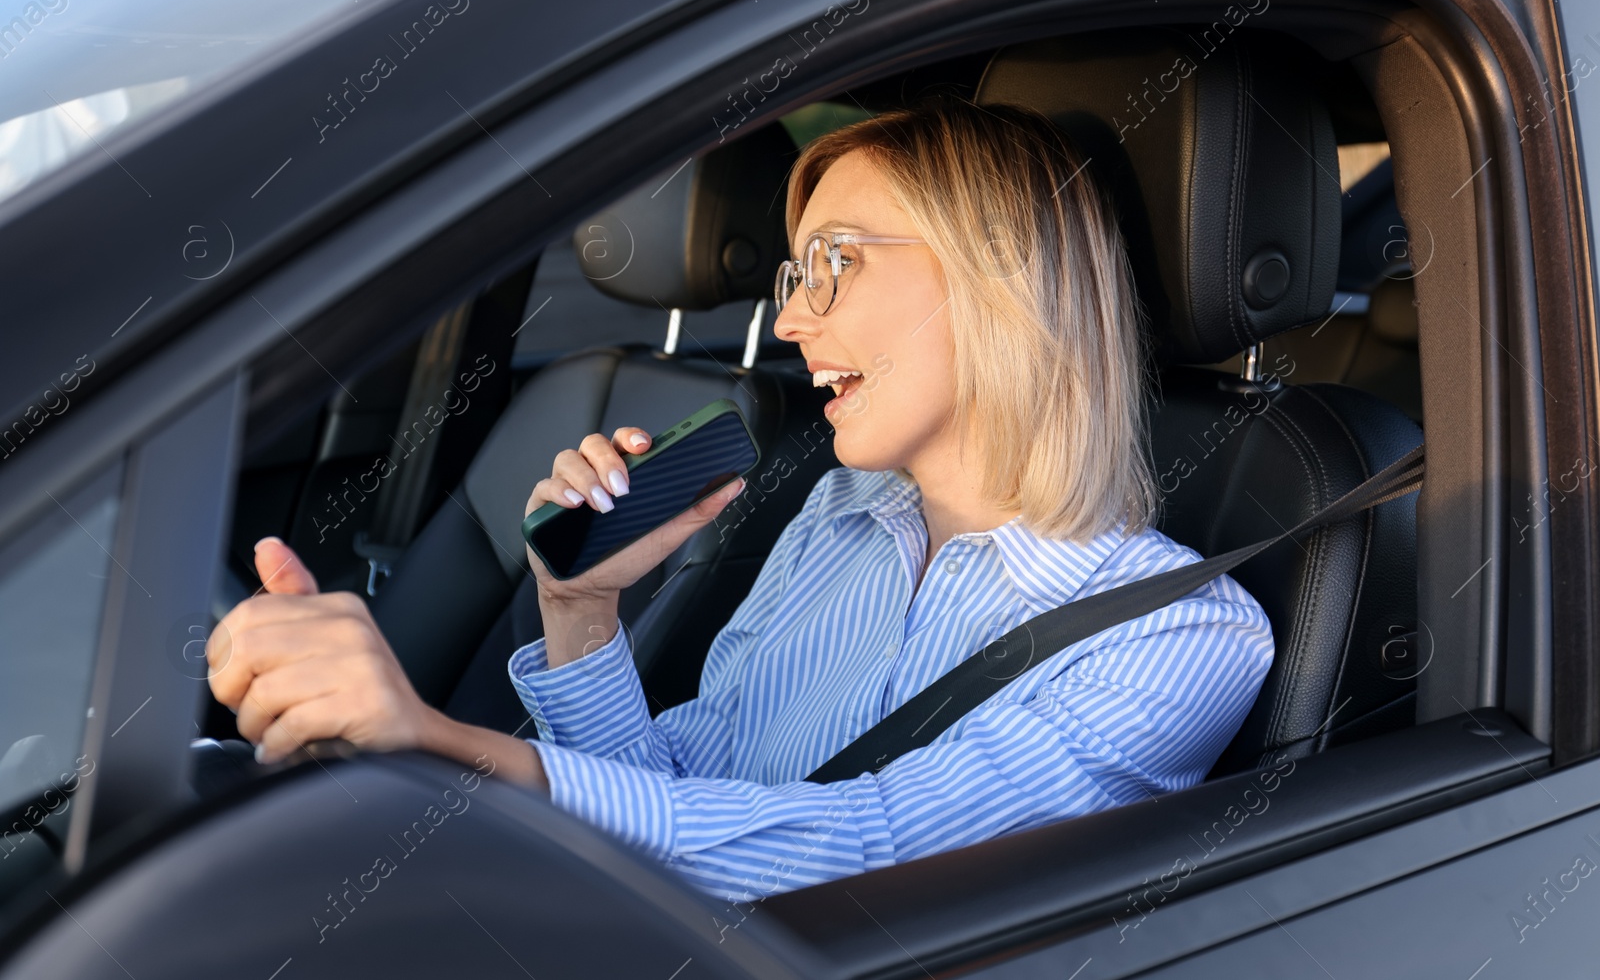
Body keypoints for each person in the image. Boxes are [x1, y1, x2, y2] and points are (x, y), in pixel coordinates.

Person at [209, 97, 1274, 903]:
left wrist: (436, 744)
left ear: (1003, 271)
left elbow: (870, 855)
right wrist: (581, 614)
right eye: (791, 278)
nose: (795, 323)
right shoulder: (840, 517)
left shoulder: (1182, 631)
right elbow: (682, 787)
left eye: (834, 264)